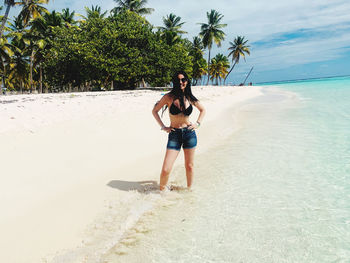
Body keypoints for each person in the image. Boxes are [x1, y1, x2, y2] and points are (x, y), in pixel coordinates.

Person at [152, 71, 206, 191]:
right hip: (174, 135)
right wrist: (163, 126)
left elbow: (203, 110)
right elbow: (154, 111)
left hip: (189, 134)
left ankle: (189, 191)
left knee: (190, 166)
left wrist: (197, 124)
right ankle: (161, 193)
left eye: (183, 80)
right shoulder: (168, 97)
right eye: (178, 80)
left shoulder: (190, 97)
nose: (181, 82)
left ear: (187, 81)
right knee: (166, 169)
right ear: (174, 82)